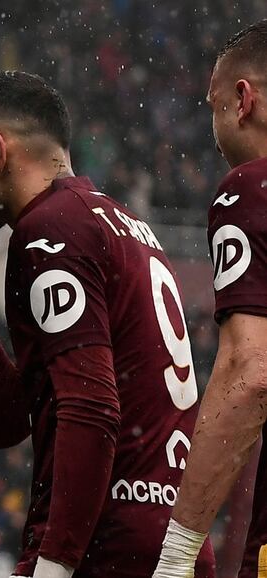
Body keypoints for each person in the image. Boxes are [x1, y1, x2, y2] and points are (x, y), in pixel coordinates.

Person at [0, 70, 215, 577]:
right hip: (168, 544)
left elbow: (93, 409)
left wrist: (54, 566)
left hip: (107, 546)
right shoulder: (123, 225)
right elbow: (9, 420)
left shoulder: (49, 230)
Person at [153, 20, 267, 578]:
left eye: (214, 106)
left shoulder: (251, 188)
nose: (214, 124)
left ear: (243, 99)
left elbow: (251, 371)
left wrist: (177, 555)